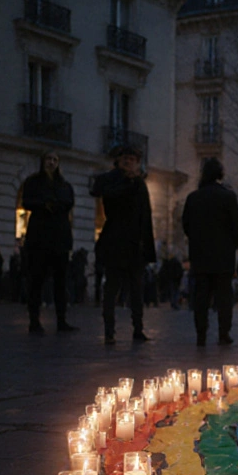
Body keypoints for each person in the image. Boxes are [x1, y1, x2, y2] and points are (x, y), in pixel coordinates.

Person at [90, 145, 156, 344]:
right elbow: (105, 195)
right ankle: (109, 331)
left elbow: (146, 216)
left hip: (135, 244)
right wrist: (128, 181)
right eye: (125, 159)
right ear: (118, 161)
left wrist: (148, 247)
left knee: (137, 290)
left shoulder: (139, 184)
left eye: (133, 159)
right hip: (116, 242)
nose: (129, 162)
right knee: (111, 289)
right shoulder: (111, 180)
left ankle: (138, 328)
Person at [182, 158, 238, 346]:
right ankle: (224, 333)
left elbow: (186, 225)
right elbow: (237, 227)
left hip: (200, 255)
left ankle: (201, 334)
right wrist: (231, 246)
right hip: (223, 256)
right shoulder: (228, 197)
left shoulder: (193, 198)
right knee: (224, 298)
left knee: (201, 298)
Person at [21, 151, 77, 334]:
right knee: (36, 281)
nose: (51, 163)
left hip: (59, 238)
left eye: (54, 160)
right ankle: (34, 321)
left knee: (61, 283)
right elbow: (27, 201)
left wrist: (57, 205)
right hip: (39, 238)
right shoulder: (33, 182)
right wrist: (44, 204)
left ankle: (62, 321)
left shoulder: (64, 185)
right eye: (48, 159)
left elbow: (69, 202)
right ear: (43, 161)